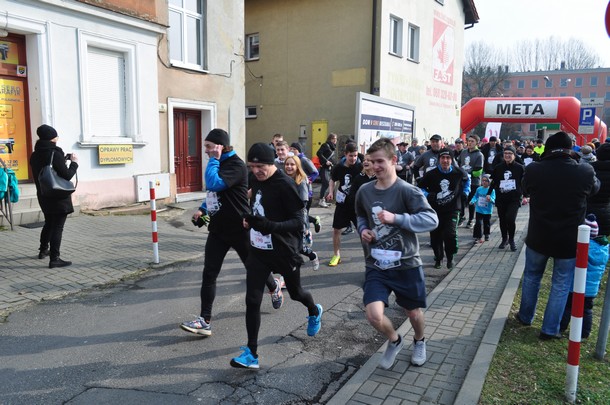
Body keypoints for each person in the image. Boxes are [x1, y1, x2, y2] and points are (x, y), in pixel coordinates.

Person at [180, 129, 282, 337]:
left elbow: (214, 183)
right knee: (209, 273)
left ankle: (274, 286)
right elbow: (213, 192)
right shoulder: (218, 163)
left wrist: (214, 160)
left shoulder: (236, 165)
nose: (206, 150)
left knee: (254, 268)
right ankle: (205, 320)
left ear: (220, 146)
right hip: (218, 230)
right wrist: (203, 209)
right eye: (206, 147)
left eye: (209, 146)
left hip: (239, 228)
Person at [231, 143, 323, 369]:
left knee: (296, 293)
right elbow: (256, 206)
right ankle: (251, 353)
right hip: (258, 251)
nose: (255, 171)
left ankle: (314, 310)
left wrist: (270, 226)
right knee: (252, 300)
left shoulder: (285, 185)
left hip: (284, 250)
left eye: (260, 167)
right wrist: (247, 218)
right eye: (252, 167)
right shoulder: (255, 179)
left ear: (271, 163)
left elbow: (298, 221)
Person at [355, 137, 439, 369]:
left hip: (406, 264)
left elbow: (431, 219)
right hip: (376, 263)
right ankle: (394, 340)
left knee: (413, 312)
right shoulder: (364, 191)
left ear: (393, 160)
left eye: (380, 161)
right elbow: (361, 215)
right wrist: (363, 230)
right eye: (371, 161)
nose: (375, 166)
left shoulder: (407, 191)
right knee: (373, 315)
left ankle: (419, 340)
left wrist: (398, 218)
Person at [517, 131, 600, 340]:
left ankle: (525, 316)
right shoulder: (584, 171)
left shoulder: (534, 169)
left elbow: (525, 189)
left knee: (532, 276)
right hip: (568, 239)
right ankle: (549, 329)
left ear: (547, 148)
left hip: (539, 235)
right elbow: (595, 188)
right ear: (570, 149)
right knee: (561, 284)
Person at [29, 124, 79, 268]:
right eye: (56, 136)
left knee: (49, 223)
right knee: (57, 226)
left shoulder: (35, 154)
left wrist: (61, 161)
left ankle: (43, 250)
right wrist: (74, 163)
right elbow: (67, 175)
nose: (57, 138)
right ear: (52, 138)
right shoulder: (54, 153)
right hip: (58, 196)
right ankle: (54, 258)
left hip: (43, 194)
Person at [418, 148, 469, 270]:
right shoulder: (431, 174)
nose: (445, 160)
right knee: (435, 237)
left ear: (452, 159)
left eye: (448, 158)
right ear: (439, 159)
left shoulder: (459, 172)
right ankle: (438, 257)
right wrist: (427, 195)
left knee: (450, 234)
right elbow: (420, 188)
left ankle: (450, 257)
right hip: (435, 210)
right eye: (443, 158)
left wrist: (466, 192)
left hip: (453, 209)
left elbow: (467, 180)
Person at [560, 214, 609, 338]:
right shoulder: (603, 249)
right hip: (592, 289)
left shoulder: (583, 247)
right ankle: (585, 332)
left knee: (568, 306)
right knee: (587, 310)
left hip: (576, 285)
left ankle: (561, 327)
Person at [326, 142, 363, 266]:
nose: (353, 158)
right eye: (351, 156)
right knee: (337, 230)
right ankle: (336, 255)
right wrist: (330, 192)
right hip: (342, 204)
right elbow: (332, 180)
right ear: (345, 155)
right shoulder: (339, 167)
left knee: (363, 231)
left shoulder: (361, 166)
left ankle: (369, 256)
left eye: (355, 155)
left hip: (357, 205)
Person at [284, 154, 320, 270]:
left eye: (292, 164)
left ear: (297, 166)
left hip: (297, 217)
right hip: (285, 218)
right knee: (287, 246)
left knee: (300, 248)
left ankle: (312, 255)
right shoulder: (283, 179)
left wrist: (304, 226)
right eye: (287, 164)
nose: (289, 167)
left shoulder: (302, 180)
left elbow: (303, 204)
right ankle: (288, 273)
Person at [488, 146, 526, 251]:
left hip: (514, 198)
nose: (507, 155)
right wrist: (488, 193)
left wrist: (526, 195)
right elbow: (494, 181)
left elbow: (524, 182)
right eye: (505, 153)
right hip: (501, 198)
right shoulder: (498, 167)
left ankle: (512, 239)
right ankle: (504, 239)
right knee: (502, 220)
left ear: (514, 155)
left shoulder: (520, 168)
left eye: (510, 153)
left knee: (510, 218)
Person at [290, 142, 321, 233]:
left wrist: (307, 180)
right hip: (296, 191)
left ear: (299, 150)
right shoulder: (292, 160)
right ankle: (314, 222)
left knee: (303, 214)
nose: (292, 151)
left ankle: (307, 233)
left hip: (306, 192)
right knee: (302, 214)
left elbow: (315, 172)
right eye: (291, 149)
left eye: (294, 149)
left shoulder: (303, 160)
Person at [456, 134, 484, 228]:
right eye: (469, 141)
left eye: (472, 141)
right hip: (462, 181)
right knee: (462, 199)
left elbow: (479, 170)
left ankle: (471, 219)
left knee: (471, 201)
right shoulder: (463, 152)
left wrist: (467, 175)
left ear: (477, 143)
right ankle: (462, 216)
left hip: (474, 182)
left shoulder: (479, 155)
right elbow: (458, 164)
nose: (470, 143)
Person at [469, 174, 495, 244]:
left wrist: (490, 199)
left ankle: (487, 234)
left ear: (489, 182)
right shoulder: (479, 189)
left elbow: (494, 200)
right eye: (483, 180)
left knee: (486, 223)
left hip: (487, 210)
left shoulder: (492, 190)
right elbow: (475, 196)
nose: (484, 182)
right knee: (478, 223)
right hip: (479, 209)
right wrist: (472, 201)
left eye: (486, 181)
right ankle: (478, 237)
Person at [316, 133, 337, 207]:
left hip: (330, 168)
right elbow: (318, 153)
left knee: (332, 183)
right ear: (330, 139)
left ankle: (324, 199)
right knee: (326, 183)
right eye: (334, 138)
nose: (335, 140)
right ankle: (321, 200)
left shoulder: (333, 147)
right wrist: (326, 161)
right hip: (324, 168)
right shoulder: (325, 145)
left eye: (336, 139)